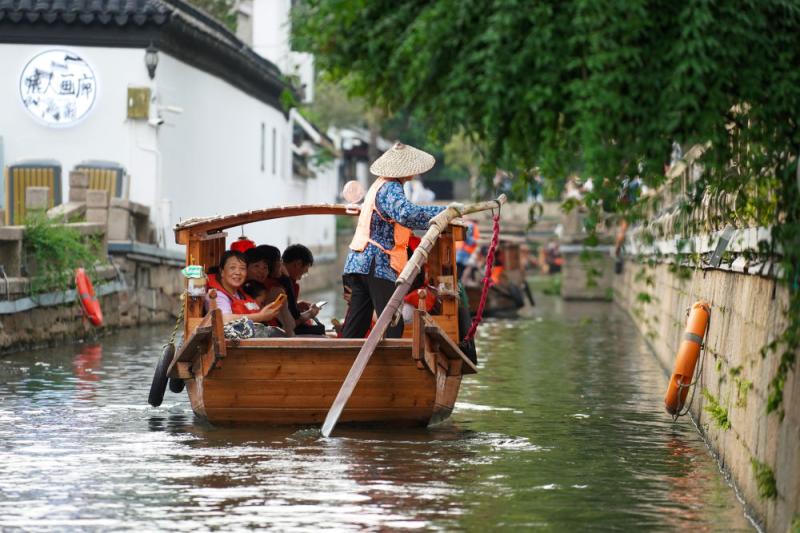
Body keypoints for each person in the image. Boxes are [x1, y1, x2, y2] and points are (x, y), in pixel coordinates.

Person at [342, 142, 448, 338]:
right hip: (376, 264)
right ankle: (386, 368)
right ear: (404, 170)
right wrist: (445, 212)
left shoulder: (379, 185)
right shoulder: (391, 187)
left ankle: (340, 363)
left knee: (357, 324)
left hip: (359, 263)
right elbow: (407, 215)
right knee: (392, 323)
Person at [205, 250, 282, 326]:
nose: (238, 272)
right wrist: (261, 316)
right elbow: (223, 319)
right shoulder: (217, 295)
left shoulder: (241, 293)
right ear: (222, 271)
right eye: (232, 268)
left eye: (242, 268)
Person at [281, 244, 323, 335]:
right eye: (303, 273)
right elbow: (290, 324)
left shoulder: (291, 284)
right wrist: (310, 313)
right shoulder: (280, 286)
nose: (300, 278)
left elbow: (287, 312)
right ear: (298, 264)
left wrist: (296, 305)